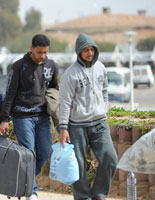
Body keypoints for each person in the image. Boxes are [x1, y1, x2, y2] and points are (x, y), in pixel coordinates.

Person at [59, 33, 118, 200]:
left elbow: (105, 90)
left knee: (110, 157)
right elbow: (65, 103)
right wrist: (63, 128)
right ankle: (83, 196)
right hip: (77, 125)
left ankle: (99, 194)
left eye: (92, 49)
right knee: (77, 164)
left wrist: (105, 110)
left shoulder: (101, 68)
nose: (90, 53)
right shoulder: (70, 74)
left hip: (99, 122)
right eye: (86, 50)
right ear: (79, 52)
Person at [0, 34, 59, 200]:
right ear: (31, 48)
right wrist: (5, 119)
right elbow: (10, 92)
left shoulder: (52, 65)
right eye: (40, 52)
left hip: (42, 117)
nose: (43, 56)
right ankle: (30, 191)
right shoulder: (19, 66)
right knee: (28, 153)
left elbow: (54, 89)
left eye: (45, 52)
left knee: (46, 151)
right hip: (22, 116)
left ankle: (23, 180)